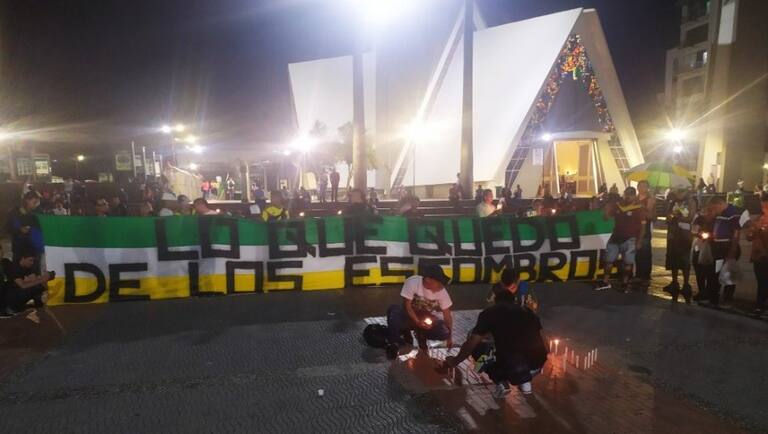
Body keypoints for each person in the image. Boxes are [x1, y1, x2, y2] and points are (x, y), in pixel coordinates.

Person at [442, 289, 548, 397]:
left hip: (514, 365)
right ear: (513, 301)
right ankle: (525, 383)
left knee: (478, 349)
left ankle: (501, 381)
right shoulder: (528, 311)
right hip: (537, 364)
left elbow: (472, 342)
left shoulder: (490, 313)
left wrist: (455, 361)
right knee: (515, 353)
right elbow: (544, 341)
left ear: (496, 301)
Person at [385, 265, 453, 359]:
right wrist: (417, 321)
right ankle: (394, 343)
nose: (441, 287)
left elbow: (447, 316)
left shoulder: (442, 292)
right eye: (439, 283)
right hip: (408, 315)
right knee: (393, 311)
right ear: (428, 280)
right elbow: (407, 307)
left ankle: (421, 334)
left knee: (444, 332)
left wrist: (449, 337)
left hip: (425, 318)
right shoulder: (412, 282)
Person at [597, 186, 646, 292]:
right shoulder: (618, 205)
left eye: (630, 194)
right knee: (608, 260)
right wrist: (606, 210)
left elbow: (643, 227)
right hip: (615, 237)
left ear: (634, 195)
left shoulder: (639, 208)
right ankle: (605, 282)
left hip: (630, 239)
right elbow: (607, 217)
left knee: (627, 263)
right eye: (626, 194)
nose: (628, 196)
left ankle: (625, 283)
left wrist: (639, 241)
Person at [705, 196, 750, 307]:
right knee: (715, 272)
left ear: (720, 204)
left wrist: (732, 251)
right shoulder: (720, 213)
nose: (714, 210)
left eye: (714, 208)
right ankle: (713, 298)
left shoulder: (733, 213)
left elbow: (736, 232)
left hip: (728, 247)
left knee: (729, 273)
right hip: (718, 247)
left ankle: (727, 299)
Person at [664, 187, 697, 302]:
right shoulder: (673, 201)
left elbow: (690, 217)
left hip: (684, 234)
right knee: (673, 257)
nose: (678, 193)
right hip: (673, 232)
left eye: (680, 191)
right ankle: (674, 282)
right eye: (677, 191)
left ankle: (686, 284)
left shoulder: (690, 202)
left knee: (684, 258)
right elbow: (668, 215)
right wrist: (670, 216)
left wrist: (679, 213)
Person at [3, 249, 54, 315]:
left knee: (38, 287)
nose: (32, 263)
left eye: (33, 261)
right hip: (9, 295)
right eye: (30, 260)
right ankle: (11, 308)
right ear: (23, 259)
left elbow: (36, 281)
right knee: (32, 286)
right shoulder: (14, 267)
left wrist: (46, 277)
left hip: (17, 292)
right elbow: (23, 286)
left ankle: (37, 304)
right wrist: (42, 279)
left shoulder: (28, 267)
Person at [745, 193, 768, 315]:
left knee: (764, 281)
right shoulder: (759, 217)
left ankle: (761, 306)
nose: (763, 207)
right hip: (758, 255)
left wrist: (761, 230)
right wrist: (752, 231)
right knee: (761, 281)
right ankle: (760, 305)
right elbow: (749, 236)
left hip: (764, 254)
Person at [6, 191, 43, 265]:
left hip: (34, 249)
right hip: (19, 249)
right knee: (18, 269)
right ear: (27, 200)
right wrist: (20, 229)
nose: (36, 204)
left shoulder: (38, 213)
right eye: (34, 202)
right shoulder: (15, 212)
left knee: (34, 269)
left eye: (38, 202)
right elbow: (8, 227)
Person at [635, 180, 656, 284]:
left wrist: (642, 207)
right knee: (637, 252)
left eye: (644, 186)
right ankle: (637, 274)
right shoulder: (634, 198)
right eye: (640, 186)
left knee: (645, 252)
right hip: (634, 228)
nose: (642, 188)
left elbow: (651, 216)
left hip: (645, 228)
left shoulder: (650, 200)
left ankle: (645, 275)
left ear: (647, 188)